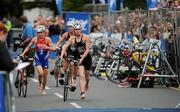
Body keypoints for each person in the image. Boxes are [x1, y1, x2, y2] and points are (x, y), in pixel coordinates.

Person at [61, 20, 92, 99]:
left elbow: (87, 50)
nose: (77, 31)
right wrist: (62, 54)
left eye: (79, 29)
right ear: (74, 30)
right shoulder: (72, 38)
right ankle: (82, 93)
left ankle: (87, 84)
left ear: (81, 30)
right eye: (76, 29)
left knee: (87, 77)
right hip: (78, 57)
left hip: (86, 57)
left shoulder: (85, 37)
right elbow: (65, 46)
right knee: (81, 75)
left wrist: (82, 58)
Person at [21, 25, 54, 95]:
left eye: (40, 32)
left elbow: (53, 49)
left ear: (44, 32)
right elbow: (28, 47)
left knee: (45, 75)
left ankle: (43, 88)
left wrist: (46, 47)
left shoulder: (48, 39)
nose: (39, 34)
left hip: (45, 59)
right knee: (41, 73)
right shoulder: (35, 39)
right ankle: (40, 82)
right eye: (38, 32)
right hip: (37, 58)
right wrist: (23, 53)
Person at [53, 20, 77, 86]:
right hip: (67, 49)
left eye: (71, 27)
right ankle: (63, 73)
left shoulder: (76, 34)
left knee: (74, 65)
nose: (70, 28)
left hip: (74, 50)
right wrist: (56, 46)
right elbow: (59, 41)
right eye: (69, 27)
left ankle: (72, 79)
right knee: (65, 62)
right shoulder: (66, 34)